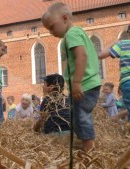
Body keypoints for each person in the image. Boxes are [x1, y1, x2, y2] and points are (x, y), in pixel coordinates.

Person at [42, 3, 101, 152]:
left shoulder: (71, 35)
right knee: (76, 116)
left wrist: (76, 82)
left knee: (81, 117)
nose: (50, 32)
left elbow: (81, 56)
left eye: (52, 27)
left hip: (84, 85)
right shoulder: (77, 32)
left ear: (65, 18)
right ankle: (86, 144)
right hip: (87, 83)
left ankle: (89, 149)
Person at [98, 24, 130, 122]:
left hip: (127, 82)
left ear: (128, 32)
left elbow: (101, 55)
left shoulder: (123, 44)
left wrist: (114, 42)